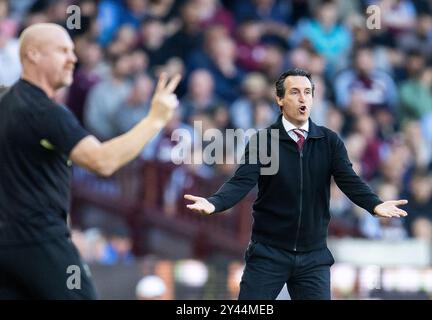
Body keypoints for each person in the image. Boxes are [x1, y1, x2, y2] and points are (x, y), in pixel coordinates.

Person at [184, 68, 408, 300]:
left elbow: (349, 181)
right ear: (280, 100)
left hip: (314, 256)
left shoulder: (329, 141)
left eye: (308, 92)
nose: (303, 98)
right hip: (268, 253)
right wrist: (215, 203)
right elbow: (241, 181)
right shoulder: (264, 140)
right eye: (295, 92)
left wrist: (375, 205)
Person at [0, 23, 181, 299]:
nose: (73, 58)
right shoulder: (47, 112)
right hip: (39, 238)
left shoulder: (6, 102)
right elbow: (102, 161)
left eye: (73, 51)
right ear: (33, 55)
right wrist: (155, 119)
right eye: (62, 51)